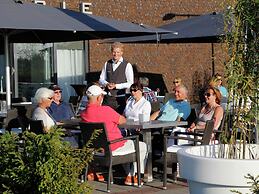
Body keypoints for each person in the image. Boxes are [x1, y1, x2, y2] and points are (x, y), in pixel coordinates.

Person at [81, 85, 147, 186]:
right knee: (141, 145)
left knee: (128, 145)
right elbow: (122, 120)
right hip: (113, 147)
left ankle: (128, 174)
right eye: (102, 97)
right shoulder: (106, 110)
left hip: (95, 150)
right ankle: (133, 176)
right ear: (99, 98)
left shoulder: (84, 114)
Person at [99, 42, 134, 114]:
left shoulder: (127, 65)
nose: (116, 54)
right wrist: (106, 84)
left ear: (122, 52)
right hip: (107, 99)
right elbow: (101, 79)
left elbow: (130, 83)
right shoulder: (107, 63)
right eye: (114, 52)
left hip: (120, 99)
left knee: (119, 122)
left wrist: (116, 86)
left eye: (118, 52)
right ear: (111, 52)